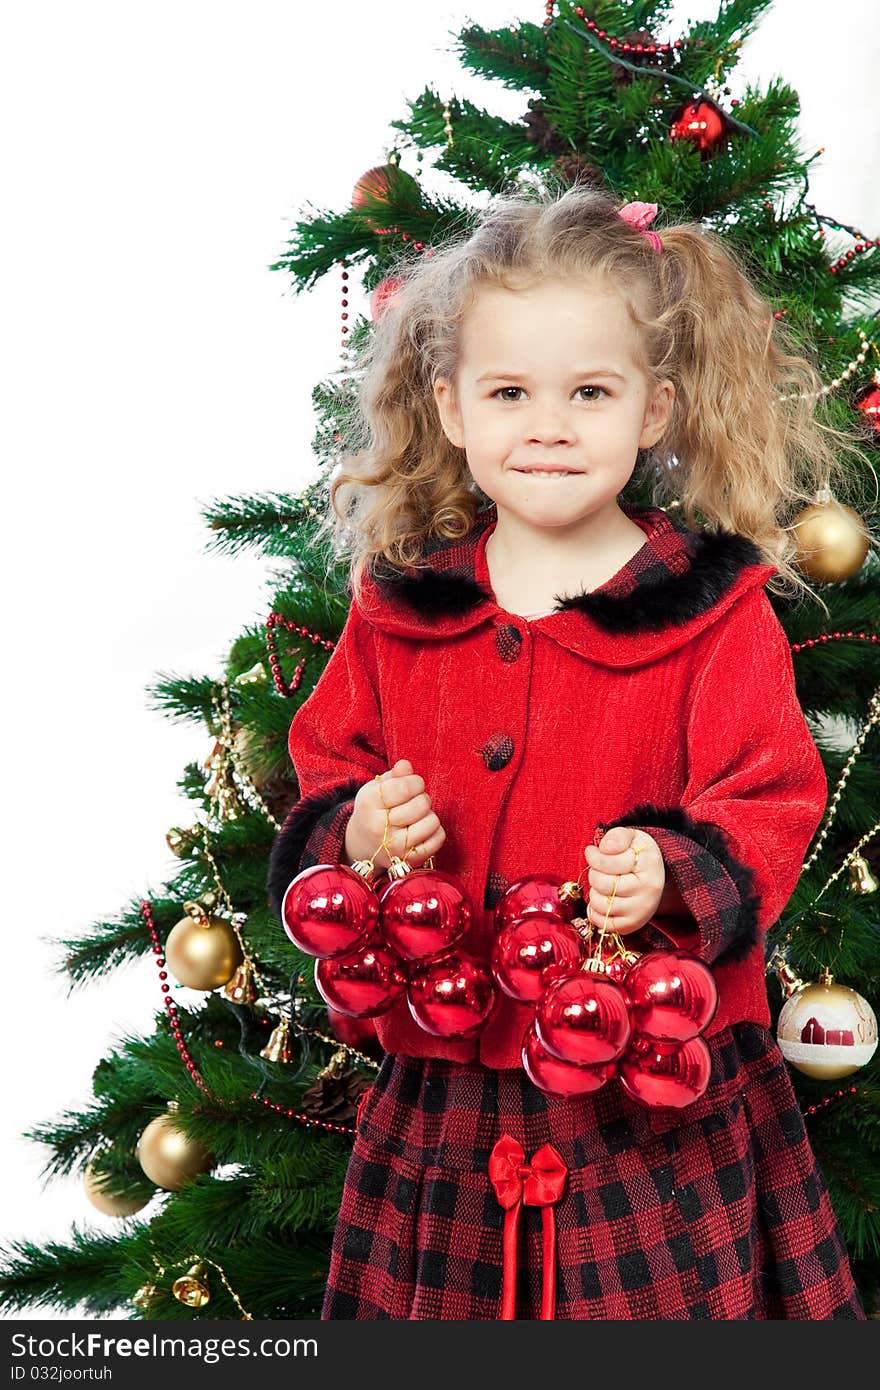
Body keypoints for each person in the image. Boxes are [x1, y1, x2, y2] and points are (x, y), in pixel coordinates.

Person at [267, 184, 868, 1319]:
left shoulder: (711, 609)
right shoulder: (401, 607)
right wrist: (353, 828)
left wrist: (677, 870)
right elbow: (327, 755)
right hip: (444, 1068)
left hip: (648, 1076)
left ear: (652, 411)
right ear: (449, 407)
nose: (547, 425)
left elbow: (772, 790)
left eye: (589, 392)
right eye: (509, 392)